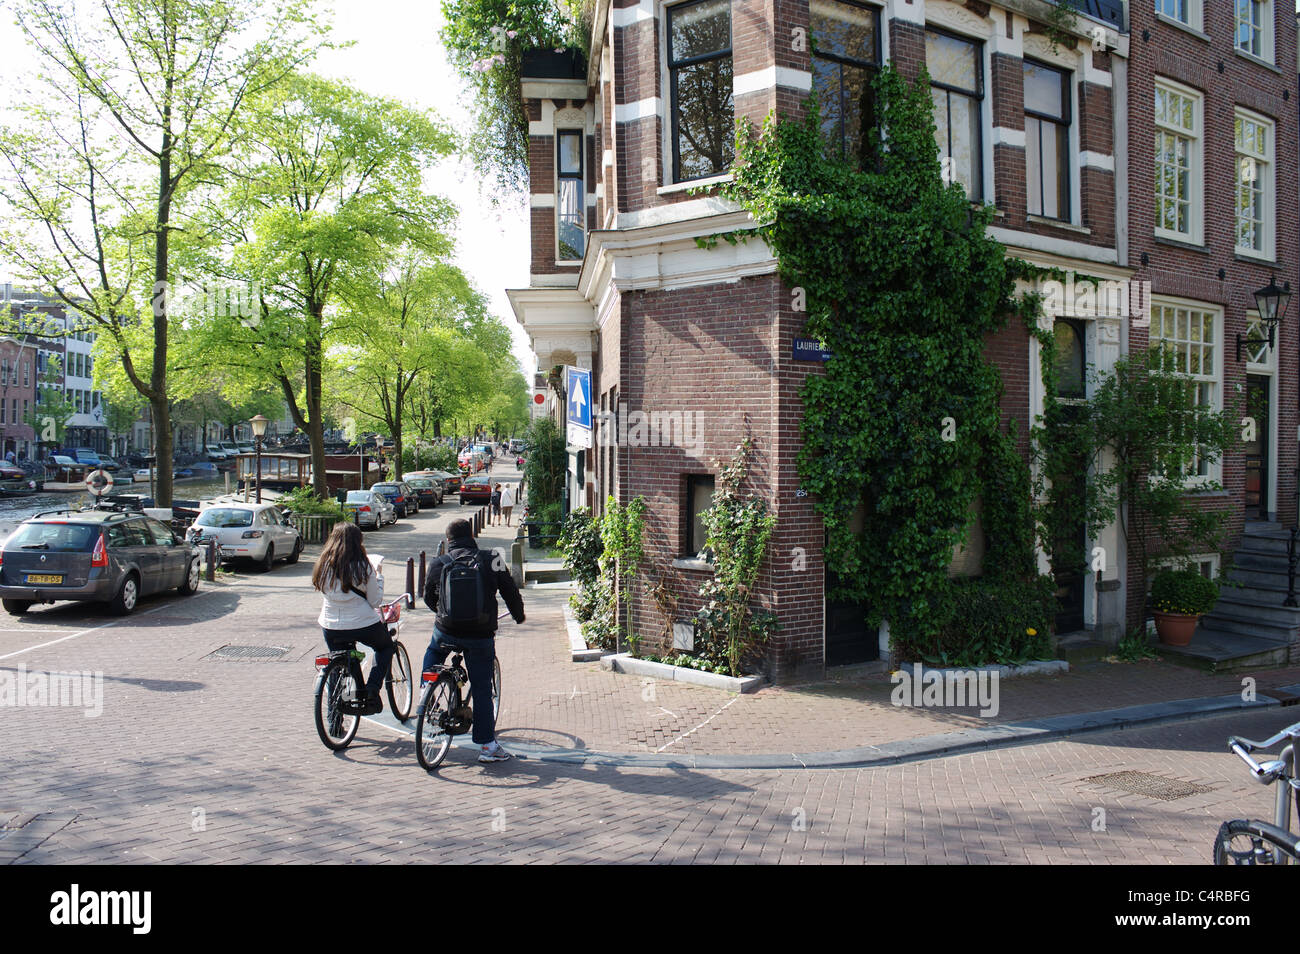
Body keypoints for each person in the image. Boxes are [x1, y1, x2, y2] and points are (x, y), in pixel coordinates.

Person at [423, 519, 525, 762]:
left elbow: (428, 597)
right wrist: (518, 615)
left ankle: (426, 691)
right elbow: (510, 590)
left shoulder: (439, 562)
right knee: (481, 689)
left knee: (433, 652)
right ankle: (488, 747)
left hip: (446, 631)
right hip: (480, 634)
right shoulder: (492, 558)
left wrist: (444, 614)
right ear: (472, 536)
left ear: (448, 540)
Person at [313, 522, 394, 715]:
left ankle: (335, 720)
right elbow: (375, 601)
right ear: (358, 542)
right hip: (362, 623)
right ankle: (372, 689)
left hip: (330, 625)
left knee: (339, 663)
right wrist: (379, 576)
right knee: (385, 647)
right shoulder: (363, 566)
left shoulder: (322, 564)